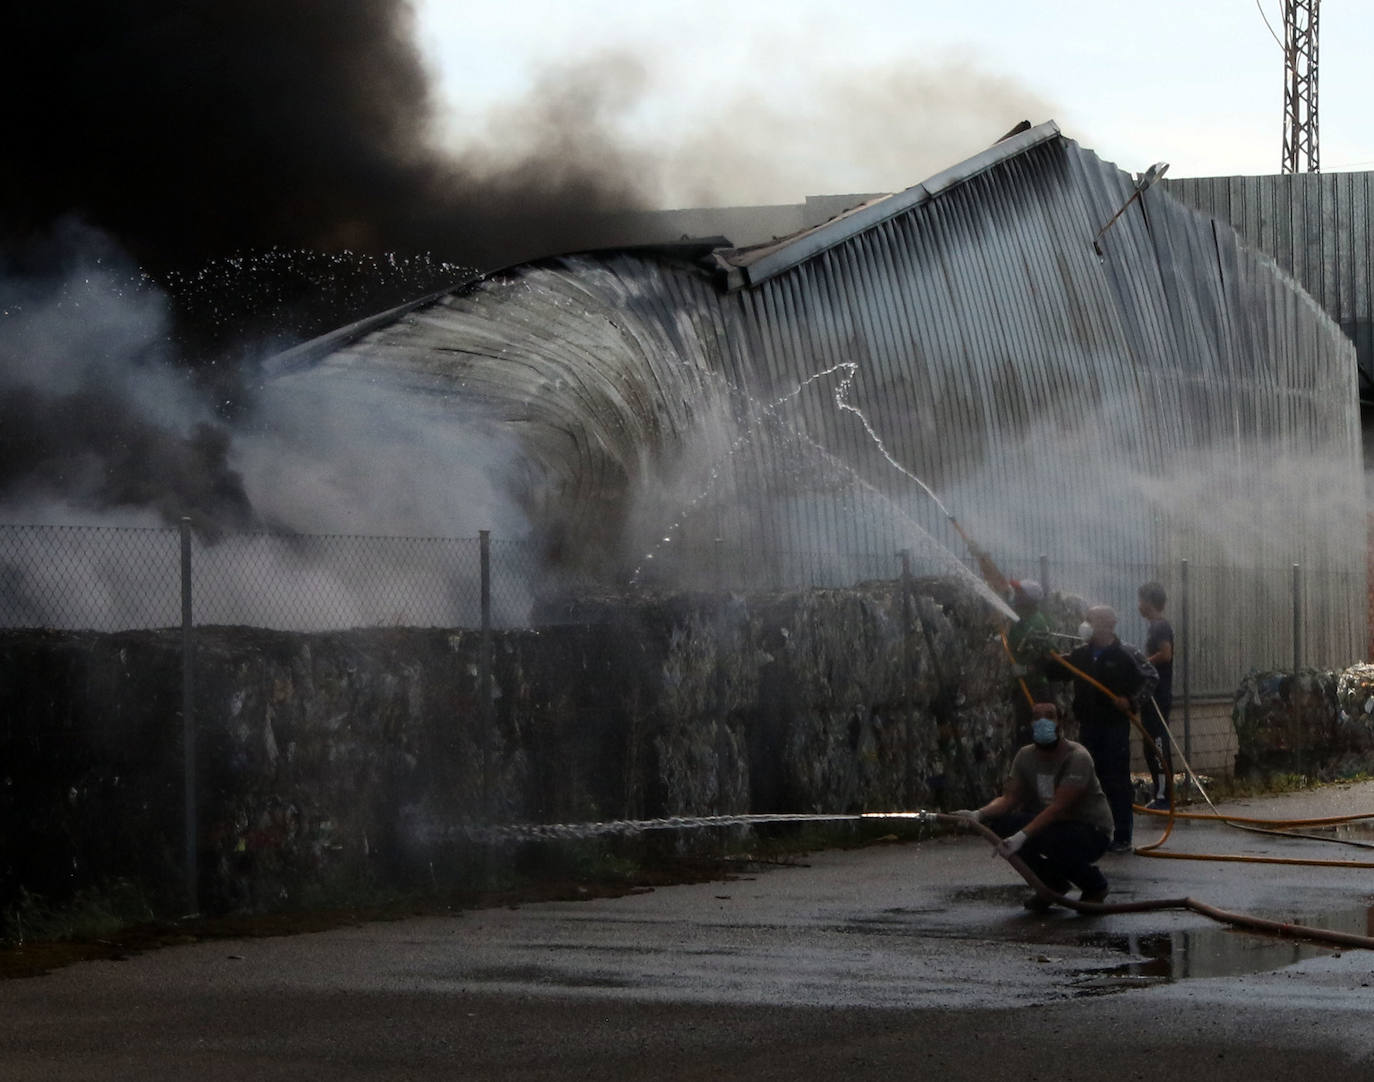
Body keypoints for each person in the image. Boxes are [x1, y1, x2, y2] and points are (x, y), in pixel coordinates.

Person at [954, 702, 1112, 910]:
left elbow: (1058, 808)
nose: (1042, 722)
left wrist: (1021, 837)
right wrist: (979, 814)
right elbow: (1009, 798)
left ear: (1060, 722)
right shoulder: (1025, 756)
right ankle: (1051, 885)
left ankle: (1095, 886)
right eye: (1037, 717)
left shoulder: (1077, 757)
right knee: (1002, 825)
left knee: (1053, 840)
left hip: (1091, 830)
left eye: (1049, 716)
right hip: (1052, 825)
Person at [1047, 604, 1157, 853]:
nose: (1086, 624)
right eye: (1087, 619)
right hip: (1088, 725)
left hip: (1114, 727)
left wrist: (1131, 701)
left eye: (1092, 619)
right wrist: (1041, 653)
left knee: (1116, 780)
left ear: (1109, 624)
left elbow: (1151, 677)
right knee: (1089, 779)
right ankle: (1094, 832)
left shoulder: (1126, 654)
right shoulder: (1081, 655)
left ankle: (1122, 836)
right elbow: (1056, 669)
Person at [1137, 582, 1175, 810]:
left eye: (1140, 600)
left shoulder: (1160, 626)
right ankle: (1160, 794)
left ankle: (1164, 796)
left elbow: (1165, 654)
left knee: (1157, 743)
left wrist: (1141, 663)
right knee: (1149, 745)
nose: (1138, 605)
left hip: (1158, 696)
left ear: (1149, 602)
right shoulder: (1154, 627)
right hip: (1150, 696)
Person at [1005, 579, 1054, 746]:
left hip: (1035, 688)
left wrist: (1026, 669)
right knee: (1023, 733)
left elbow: (1050, 656)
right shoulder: (1020, 618)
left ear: (1031, 600)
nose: (1016, 596)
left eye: (1020, 593)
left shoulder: (1037, 623)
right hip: (1021, 686)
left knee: (1033, 736)